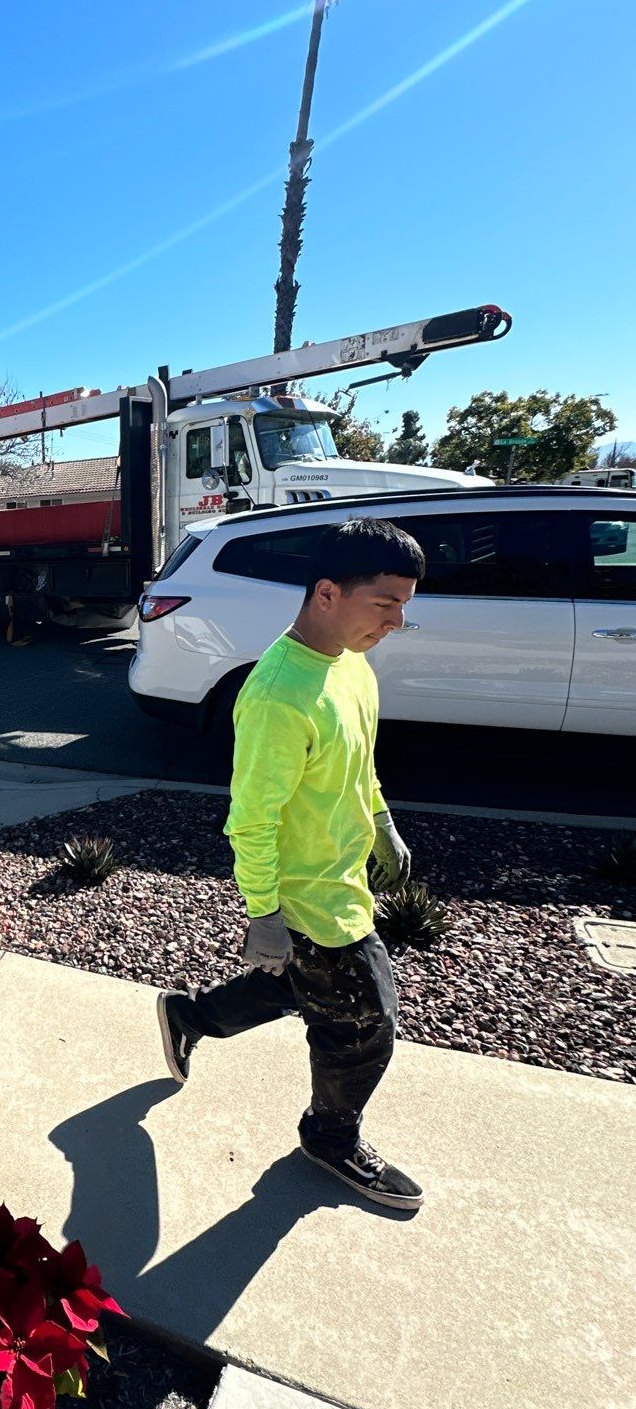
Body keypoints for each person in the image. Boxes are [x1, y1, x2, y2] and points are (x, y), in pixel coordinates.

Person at [156, 517, 425, 1211]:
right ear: (327, 593)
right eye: (385, 603)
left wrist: (381, 823)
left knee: (294, 987)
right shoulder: (277, 694)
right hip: (312, 900)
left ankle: (188, 1016)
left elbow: (358, 760)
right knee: (365, 1027)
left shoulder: (350, 663)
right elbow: (251, 821)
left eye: (403, 604)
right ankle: (330, 1137)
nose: (398, 621)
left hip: (344, 875)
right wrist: (265, 915)